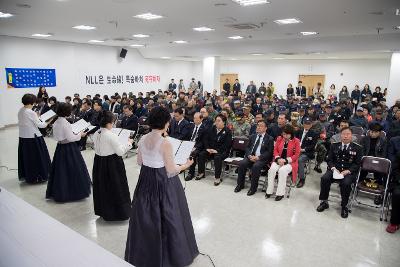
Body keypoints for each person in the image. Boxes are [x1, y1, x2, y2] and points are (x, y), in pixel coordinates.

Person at [125, 106, 198, 266]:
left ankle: (144, 251)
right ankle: (171, 255)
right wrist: (186, 165)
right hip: (163, 180)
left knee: (145, 214)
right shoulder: (165, 143)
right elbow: (171, 170)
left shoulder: (143, 138)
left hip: (146, 178)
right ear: (166, 122)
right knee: (169, 214)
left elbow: (139, 161)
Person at [92, 111, 133, 221]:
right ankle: (118, 213)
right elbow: (120, 152)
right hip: (112, 163)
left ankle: (103, 210)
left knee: (102, 186)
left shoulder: (97, 133)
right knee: (116, 187)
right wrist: (129, 143)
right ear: (110, 123)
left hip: (99, 162)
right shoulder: (111, 135)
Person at [46, 103, 91, 202]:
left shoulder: (57, 121)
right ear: (66, 112)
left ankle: (61, 190)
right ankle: (72, 192)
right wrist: (80, 134)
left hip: (60, 147)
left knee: (61, 171)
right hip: (69, 148)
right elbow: (71, 138)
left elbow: (57, 137)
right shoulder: (64, 123)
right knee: (73, 169)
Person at [317, 127, 363, 218]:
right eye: (343, 134)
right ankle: (324, 201)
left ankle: (344, 206)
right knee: (324, 178)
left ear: (352, 136)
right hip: (335, 169)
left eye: (348, 134)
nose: (345, 136)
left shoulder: (358, 148)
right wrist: (333, 168)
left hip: (348, 172)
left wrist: (348, 171)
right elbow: (329, 159)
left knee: (346, 183)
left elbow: (357, 164)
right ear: (340, 135)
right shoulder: (334, 145)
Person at [18, 94, 52, 184]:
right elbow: (41, 125)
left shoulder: (21, 110)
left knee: (27, 158)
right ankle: (38, 176)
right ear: (32, 102)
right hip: (33, 137)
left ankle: (28, 175)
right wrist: (49, 120)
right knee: (37, 158)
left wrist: (37, 117)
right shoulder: (30, 112)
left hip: (23, 137)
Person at [235, 120, 274, 195]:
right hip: (251, 156)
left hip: (261, 159)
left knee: (256, 166)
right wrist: (249, 155)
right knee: (242, 163)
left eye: (261, 126)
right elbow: (247, 148)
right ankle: (240, 184)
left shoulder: (269, 139)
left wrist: (258, 157)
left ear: (265, 128)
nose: (258, 127)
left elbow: (269, 152)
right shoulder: (252, 136)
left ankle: (253, 188)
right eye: (258, 125)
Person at [266, 125, 301, 201]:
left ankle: (280, 193)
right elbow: (275, 150)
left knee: (282, 171)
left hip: (290, 162)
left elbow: (297, 155)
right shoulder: (279, 138)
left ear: (291, 134)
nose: (284, 136)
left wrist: (285, 160)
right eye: (283, 134)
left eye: (287, 134)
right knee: (272, 169)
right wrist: (278, 158)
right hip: (278, 160)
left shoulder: (296, 141)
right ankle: (269, 191)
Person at [197, 114, 233, 185]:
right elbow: (205, 139)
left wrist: (217, 150)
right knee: (201, 154)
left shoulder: (228, 131)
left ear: (224, 122)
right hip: (210, 150)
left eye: (219, 121)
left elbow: (227, 144)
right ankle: (201, 173)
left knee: (217, 157)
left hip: (222, 151)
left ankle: (217, 177)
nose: (217, 122)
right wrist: (207, 148)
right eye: (216, 121)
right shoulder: (212, 128)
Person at [295, 117, 319, 188]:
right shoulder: (298, 131)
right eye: (305, 123)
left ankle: (302, 178)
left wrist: (303, 150)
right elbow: (294, 141)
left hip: (307, 152)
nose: (307, 125)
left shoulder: (314, 134)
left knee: (300, 160)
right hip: (296, 150)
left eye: (308, 124)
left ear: (311, 125)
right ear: (303, 124)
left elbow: (312, 146)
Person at [185, 112, 207, 181]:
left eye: (196, 119)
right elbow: (187, 137)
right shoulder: (191, 126)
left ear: (201, 119)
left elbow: (203, 142)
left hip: (199, 146)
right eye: (194, 118)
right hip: (190, 144)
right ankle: (181, 167)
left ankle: (191, 173)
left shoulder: (204, 128)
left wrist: (195, 147)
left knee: (193, 153)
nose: (194, 120)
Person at [387, 136, 400, 233]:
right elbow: (394, 166)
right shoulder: (395, 141)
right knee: (397, 194)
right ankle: (394, 222)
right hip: (398, 178)